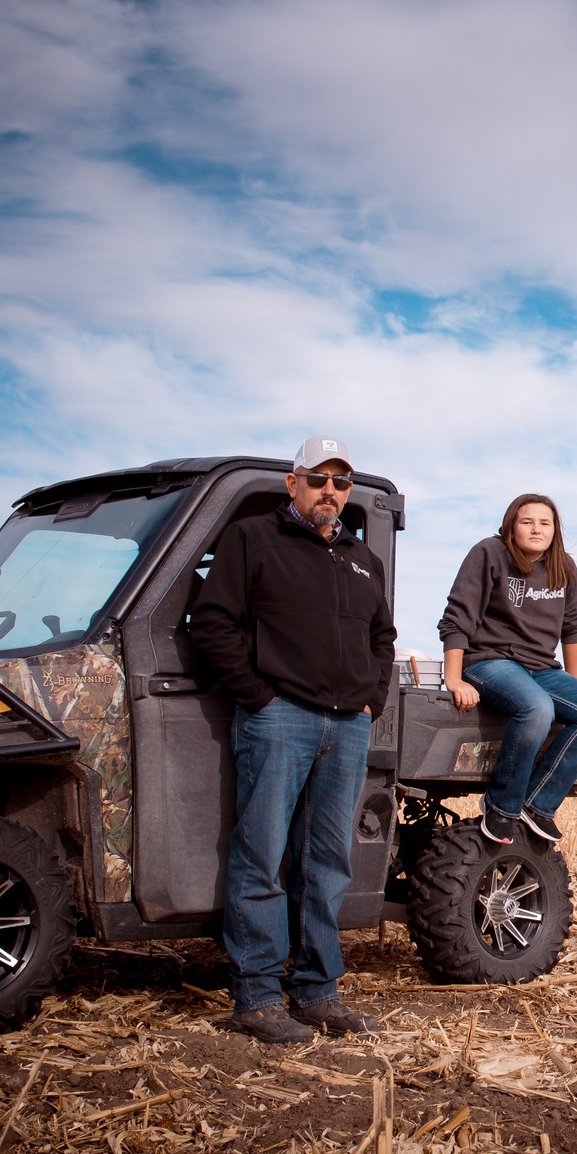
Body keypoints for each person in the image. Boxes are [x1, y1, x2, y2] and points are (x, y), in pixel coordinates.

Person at [188, 436, 396, 1043]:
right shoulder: (253, 540)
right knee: (261, 855)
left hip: (347, 725)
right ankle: (255, 997)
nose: (329, 490)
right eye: (318, 479)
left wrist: (371, 698)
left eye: (340, 481)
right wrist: (258, 695)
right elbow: (213, 622)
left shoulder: (363, 560)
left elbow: (383, 639)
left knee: (327, 863)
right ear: (293, 483)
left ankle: (317, 993)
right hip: (280, 719)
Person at [439, 493, 577, 846]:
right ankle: (502, 806)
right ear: (511, 526)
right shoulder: (489, 553)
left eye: (545, 523)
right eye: (527, 521)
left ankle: (537, 806)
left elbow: (572, 629)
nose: (536, 529)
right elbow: (457, 617)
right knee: (536, 708)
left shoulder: (564, 567)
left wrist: (573, 687)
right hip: (489, 661)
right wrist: (453, 678)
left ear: (555, 530)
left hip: (541, 668)